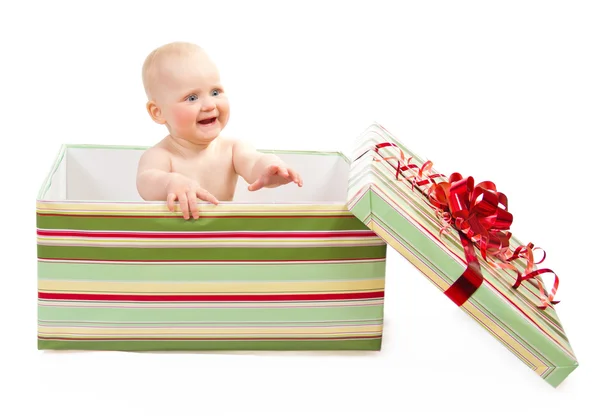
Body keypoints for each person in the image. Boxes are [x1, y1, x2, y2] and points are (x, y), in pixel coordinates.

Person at [136, 42, 302, 219]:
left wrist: (270, 167)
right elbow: (146, 181)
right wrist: (170, 183)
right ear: (158, 112)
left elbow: (253, 162)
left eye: (215, 92)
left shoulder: (232, 149)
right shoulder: (161, 155)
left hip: (220, 238)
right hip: (173, 242)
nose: (209, 105)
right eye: (191, 98)